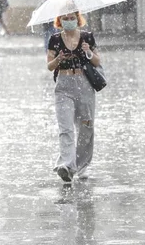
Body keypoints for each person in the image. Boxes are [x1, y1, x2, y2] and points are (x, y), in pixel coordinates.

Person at [46, 11, 101, 182]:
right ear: (59, 20)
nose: (69, 21)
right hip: (64, 86)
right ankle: (67, 166)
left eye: (72, 18)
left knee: (86, 126)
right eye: (65, 18)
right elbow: (49, 65)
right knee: (66, 128)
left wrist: (88, 53)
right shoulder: (54, 40)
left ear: (78, 19)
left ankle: (82, 165)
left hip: (84, 85)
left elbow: (98, 62)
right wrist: (58, 59)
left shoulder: (87, 37)